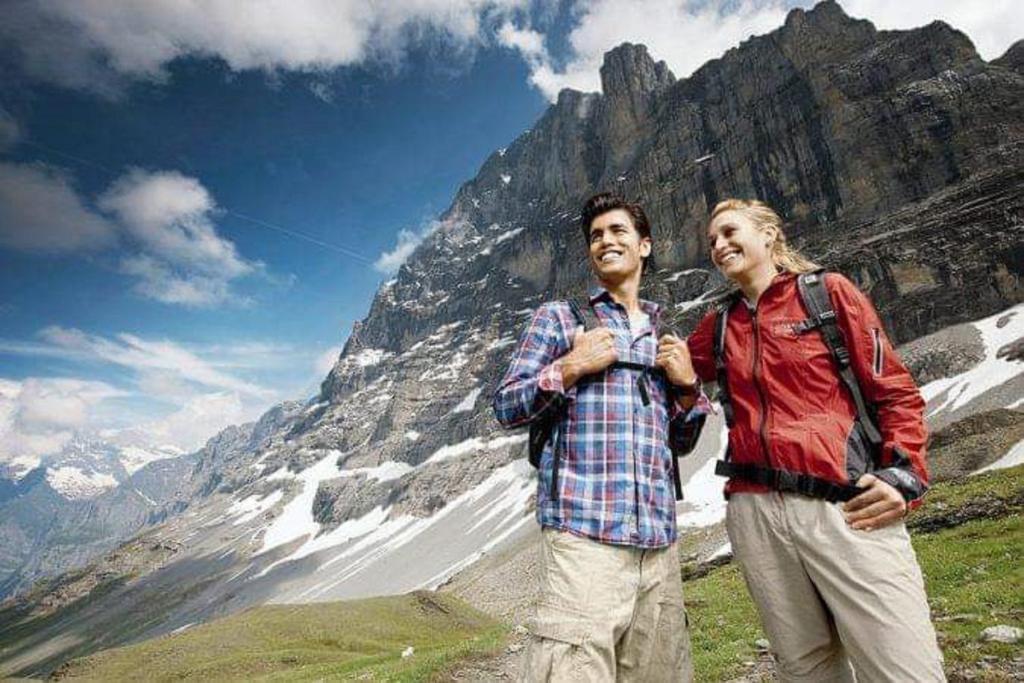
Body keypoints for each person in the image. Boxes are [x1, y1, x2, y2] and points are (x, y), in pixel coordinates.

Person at [683, 198, 945, 682]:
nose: (718, 245)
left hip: (844, 504)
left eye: (730, 232)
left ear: (768, 234)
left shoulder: (827, 293)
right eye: (712, 240)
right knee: (805, 669)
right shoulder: (718, 325)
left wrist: (905, 475)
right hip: (756, 515)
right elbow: (668, 373)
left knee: (902, 666)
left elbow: (895, 391)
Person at [492, 192, 703, 682]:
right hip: (583, 541)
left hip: (658, 547)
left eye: (617, 231)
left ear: (644, 245)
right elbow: (506, 405)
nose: (605, 241)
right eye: (595, 236)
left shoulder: (666, 336)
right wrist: (571, 366)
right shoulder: (559, 318)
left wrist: (688, 388)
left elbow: (681, 442)